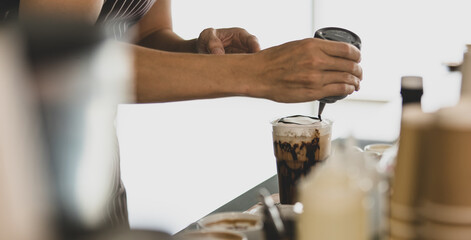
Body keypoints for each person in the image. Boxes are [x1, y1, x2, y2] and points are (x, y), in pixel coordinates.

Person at [3, 0, 362, 230]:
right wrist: (255, 73)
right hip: (22, 163)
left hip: (93, 160)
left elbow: (149, 33)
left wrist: (192, 51)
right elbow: (56, 63)